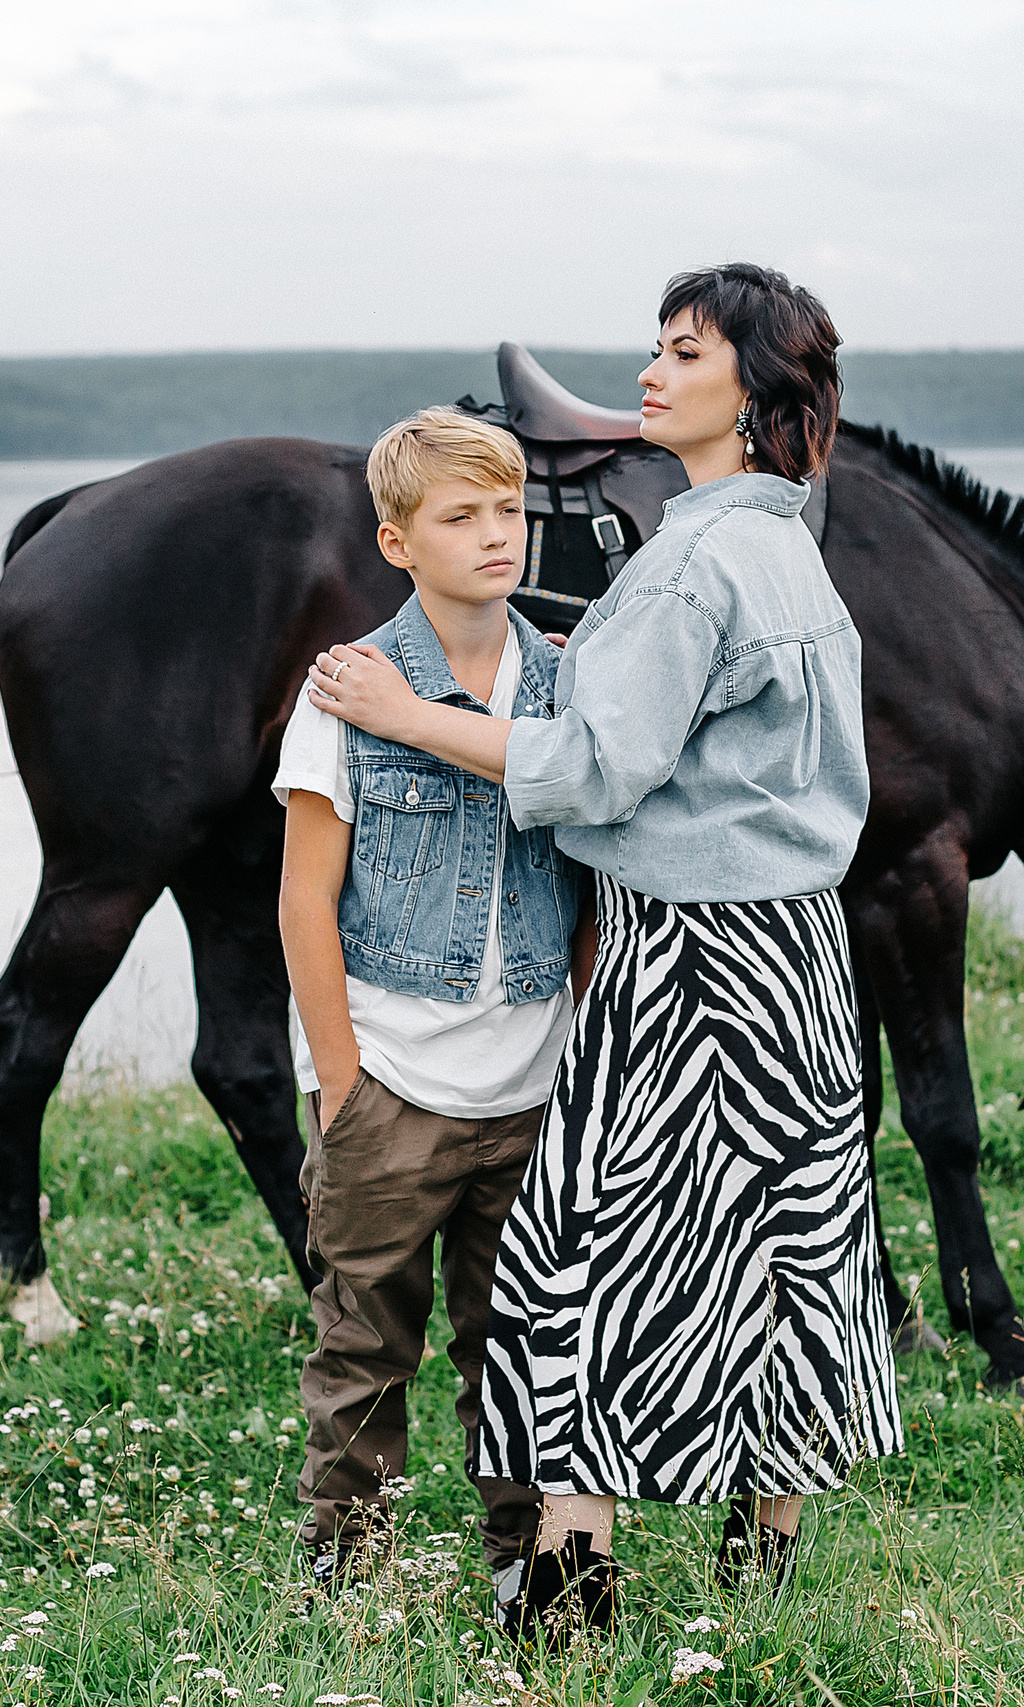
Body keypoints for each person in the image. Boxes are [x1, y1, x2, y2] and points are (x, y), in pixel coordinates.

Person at [306, 263, 903, 1641]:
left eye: (680, 352)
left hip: (687, 966)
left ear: (750, 393)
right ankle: (761, 1587)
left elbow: (592, 767)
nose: (648, 371)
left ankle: (566, 1604)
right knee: (785, 1248)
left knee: (587, 1252)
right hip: (797, 963)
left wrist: (405, 709)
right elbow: (699, 717)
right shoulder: (783, 541)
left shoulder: (693, 559)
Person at [275, 408, 594, 1614]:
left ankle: (524, 1565)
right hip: (394, 1082)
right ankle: (346, 1571)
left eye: (508, 510)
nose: (495, 536)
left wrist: (578, 1053)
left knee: (515, 1343)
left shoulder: (566, 687)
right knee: (364, 1341)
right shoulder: (350, 692)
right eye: (461, 517)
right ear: (397, 540)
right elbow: (307, 899)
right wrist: (344, 1080)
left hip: (533, 1087)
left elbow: (588, 897)